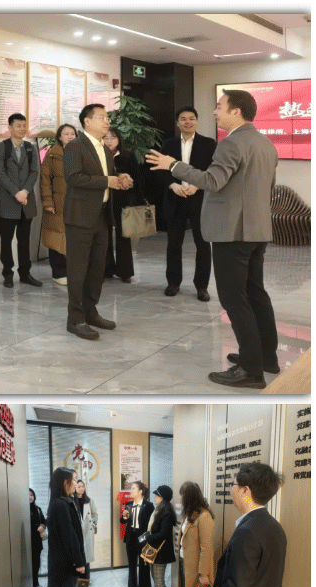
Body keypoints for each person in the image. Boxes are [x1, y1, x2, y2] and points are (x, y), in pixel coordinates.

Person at [146, 90, 279, 388]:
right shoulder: (265, 143)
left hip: (233, 232)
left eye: (220, 107)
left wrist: (173, 165)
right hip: (257, 230)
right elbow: (266, 187)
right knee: (256, 294)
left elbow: (212, 181)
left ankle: (251, 370)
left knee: (235, 299)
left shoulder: (231, 143)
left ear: (237, 111)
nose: (215, 112)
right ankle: (266, 357)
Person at [63, 103, 132, 341]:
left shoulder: (104, 148)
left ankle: (91, 312)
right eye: (102, 117)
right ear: (87, 121)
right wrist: (107, 181)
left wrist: (119, 178)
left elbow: (106, 176)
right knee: (78, 269)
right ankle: (75, 319)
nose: (107, 122)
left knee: (97, 268)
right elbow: (74, 178)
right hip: (80, 216)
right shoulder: (75, 146)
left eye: (107, 118)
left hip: (102, 215)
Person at [209, 463, 286, 587]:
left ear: (245, 491)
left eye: (234, 485)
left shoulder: (247, 531)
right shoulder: (275, 527)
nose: (231, 490)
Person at [155, 107, 217, 301]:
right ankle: (173, 283)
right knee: (174, 243)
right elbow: (159, 169)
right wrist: (173, 185)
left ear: (197, 121)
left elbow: (212, 170)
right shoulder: (169, 144)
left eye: (191, 118)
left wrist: (197, 186)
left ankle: (202, 287)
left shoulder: (209, 144)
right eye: (183, 119)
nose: (187, 122)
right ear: (178, 123)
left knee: (203, 244)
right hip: (175, 198)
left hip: (200, 199)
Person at [0, 113, 41, 287]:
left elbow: (34, 172)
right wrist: (16, 193)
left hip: (26, 202)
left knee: (24, 240)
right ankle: (7, 273)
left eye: (24, 126)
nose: (22, 129)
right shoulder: (1, 147)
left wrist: (25, 191)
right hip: (8, 201)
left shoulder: (30, 148)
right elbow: (0, 174)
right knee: (6, 241)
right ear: (10, 128)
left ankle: (25, 273)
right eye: (18, 126)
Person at [46, 467, 88, 587]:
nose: (76, 483)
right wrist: (79, 562)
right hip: (67, 561)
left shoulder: (56, 502)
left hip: (58, 561)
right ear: (65, 482)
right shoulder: (63, 505)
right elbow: (70, 537)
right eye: (74, 480)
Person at [175, 481, 215, 587]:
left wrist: (203, 574)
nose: (180, 498)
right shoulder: (190, 514)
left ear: (190, 496)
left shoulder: (204, 517)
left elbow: (206, 548)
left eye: (182, 495)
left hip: (197, 570)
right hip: (186, 565)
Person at [40, 124, 76, 285]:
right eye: (66, 133)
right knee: (56, 236)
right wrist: (48, 201)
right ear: (59, 137)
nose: (70, 136)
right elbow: (45, 180)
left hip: (76, 203)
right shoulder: (52, 154)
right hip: (57, 203)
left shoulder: (81, 153)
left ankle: (73, 270)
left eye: (72, 133)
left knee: (74, 238)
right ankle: (59, 272)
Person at [103, 127, 140, 282]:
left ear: (119, 139)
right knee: (104, 235)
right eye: (106, 138)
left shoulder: (127, 156)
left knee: (123, 236)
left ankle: (125, 272)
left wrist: (128, 184)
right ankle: (107, 269)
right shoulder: (99, 155)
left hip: (122, 200)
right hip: (104, 200)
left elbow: (137, 179)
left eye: (113, 137)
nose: (109, 141)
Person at [140, 485, 176, 587]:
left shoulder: (167, 513)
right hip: (155, 552)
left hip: (161, 553)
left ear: (162, 498)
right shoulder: (159, 510)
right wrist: (149, 535)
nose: (154, 498)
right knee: (156, 580)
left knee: (160, 582)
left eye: (157, 495)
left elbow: (163, 534)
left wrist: (148, 537)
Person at [119, 481, 154, 587]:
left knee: (144, 565)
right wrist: (124, 516)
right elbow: (123, 521)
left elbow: (152, 524)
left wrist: (149, 538)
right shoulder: (128, 504)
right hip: (130, 537)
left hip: (143, 538)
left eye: (133, 488)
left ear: (140, 491)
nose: (131, 490)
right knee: (131, 564)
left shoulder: (148, 505)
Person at [73, 479, 97, 587]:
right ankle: (77, 582)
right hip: (76, 532)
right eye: (78, 486)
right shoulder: (72, 500)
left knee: (86, 558)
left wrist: (93, 524)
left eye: (82, 486)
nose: (81, 488)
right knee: (78, 557)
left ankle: (86, 581)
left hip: (87, 532)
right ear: (75, 487)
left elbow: (95, 514)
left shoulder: (89, 500)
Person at [29, 488, 47, 587]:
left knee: (36, 563)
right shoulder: (21, 509)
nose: (30, 497)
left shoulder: (38, 509)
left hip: (36, 541)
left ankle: (35, 584)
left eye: (32, 495)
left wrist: (42, 526)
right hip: (25, 541)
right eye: (28, 495)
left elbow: (44, 521)